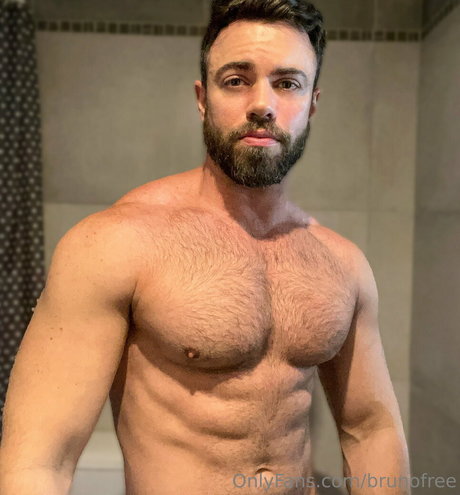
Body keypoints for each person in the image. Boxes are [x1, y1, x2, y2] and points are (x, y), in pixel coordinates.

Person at [0, 1, 411, 494]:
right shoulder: (115, 244)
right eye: (236, 80)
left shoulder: (343, 263)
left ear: (312, 104)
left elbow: (371, 428)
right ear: (202, 98)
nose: (262, 104)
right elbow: (40, 460)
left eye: (287, 83)